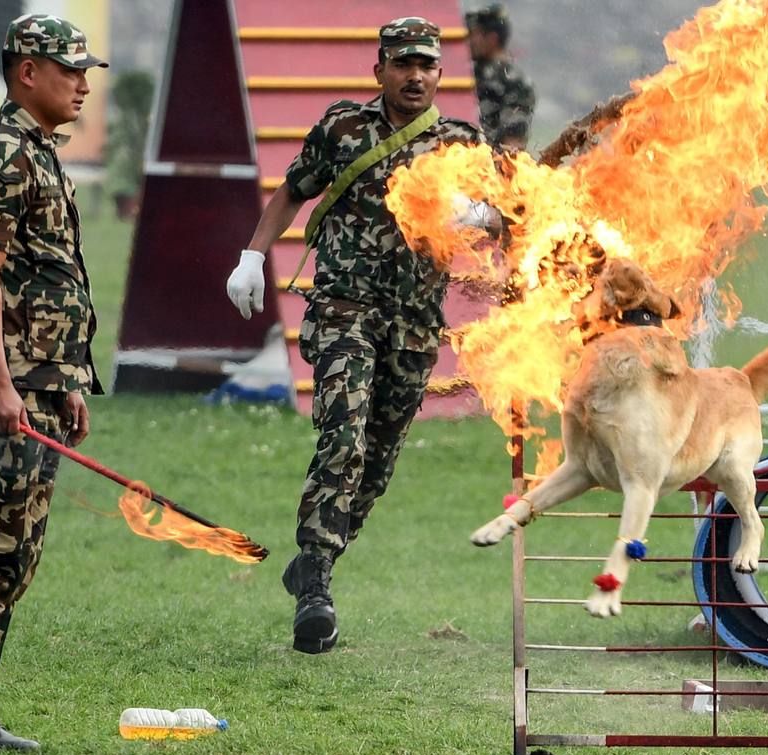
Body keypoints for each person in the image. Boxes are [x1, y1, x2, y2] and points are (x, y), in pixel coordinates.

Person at [225, 18, 482, 654]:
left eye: (425, 64)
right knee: (344, 432)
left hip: (415, 323)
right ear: (380, 72)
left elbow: (510, 214)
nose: (414, 75)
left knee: (378, 460)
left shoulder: (460, 143)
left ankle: (319, 559)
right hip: (346, 310)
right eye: (402, 64)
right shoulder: (343, 129)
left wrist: (481, 215)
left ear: (440, 74)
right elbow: (292, 192)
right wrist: (254, 256)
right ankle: (314, 581)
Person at [0, 14, 105, 750]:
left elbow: (46, 275)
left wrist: (64, 380)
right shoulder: (5, 151)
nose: (83, 82)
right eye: (69, 68)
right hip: (7, 389)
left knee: (15, 554)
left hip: (39, 382)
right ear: (25, 71)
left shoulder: (39, 150)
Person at [467, 4, 535, 151]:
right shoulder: (470, 74)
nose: (470, 41)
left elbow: (513, 143)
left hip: (490, 168)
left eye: (474, 34)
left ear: (492, 38)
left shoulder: (514, 82)